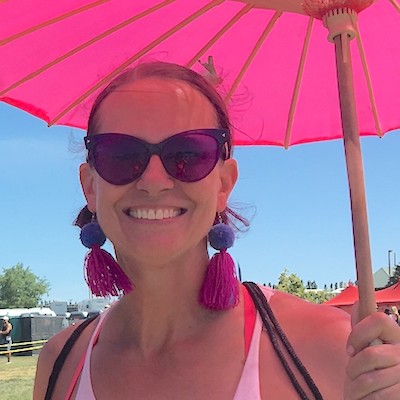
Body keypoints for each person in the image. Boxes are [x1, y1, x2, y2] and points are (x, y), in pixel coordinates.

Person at [33, 61, 400, 400]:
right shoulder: (61, 363)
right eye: (121, 154)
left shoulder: (333, 347)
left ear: (224, 184)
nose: (154, 180)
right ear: (90, 186)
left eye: (188, 154)